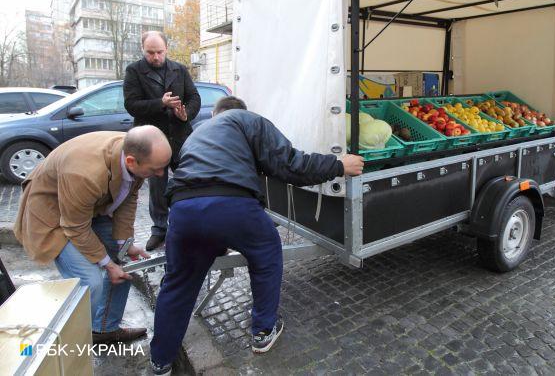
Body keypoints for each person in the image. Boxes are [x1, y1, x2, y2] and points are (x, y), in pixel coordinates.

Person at [149, 96, 364, 374]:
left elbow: (196, 177)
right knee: (266, 251)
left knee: (177, 283)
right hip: (232, 203)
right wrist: (338, 165)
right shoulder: (247, 120)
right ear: (240, 111)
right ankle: (263, 330)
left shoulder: (198, 132)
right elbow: (289, 164)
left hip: (183, 209)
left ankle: (160, 360)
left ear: (215, 113)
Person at [13, 126, 171, 344]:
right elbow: (75, 227)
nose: (161, 174)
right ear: (131, 162)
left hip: (88, 207)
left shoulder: (136, 156)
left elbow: (128, 198)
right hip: (53, 215)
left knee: (124, 263)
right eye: (156, 169)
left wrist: (125, 243)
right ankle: (68, 342)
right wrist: (107, 263)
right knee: (91, 281)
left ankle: (104, 330)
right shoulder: (85, 173)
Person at [123, 31, 201, 252]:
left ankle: (193, 225)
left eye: (159, 52)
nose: (156, 57)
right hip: (151, 141)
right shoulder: (134, 71)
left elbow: (194, 97)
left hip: (179, 137)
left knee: (191, 181)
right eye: (150, 53)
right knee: (157, 187)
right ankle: (159, 230)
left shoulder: (179, 69)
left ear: (166, 49)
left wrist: (187, 114)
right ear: (143, 49)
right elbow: (132, 105)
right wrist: (161, 103)